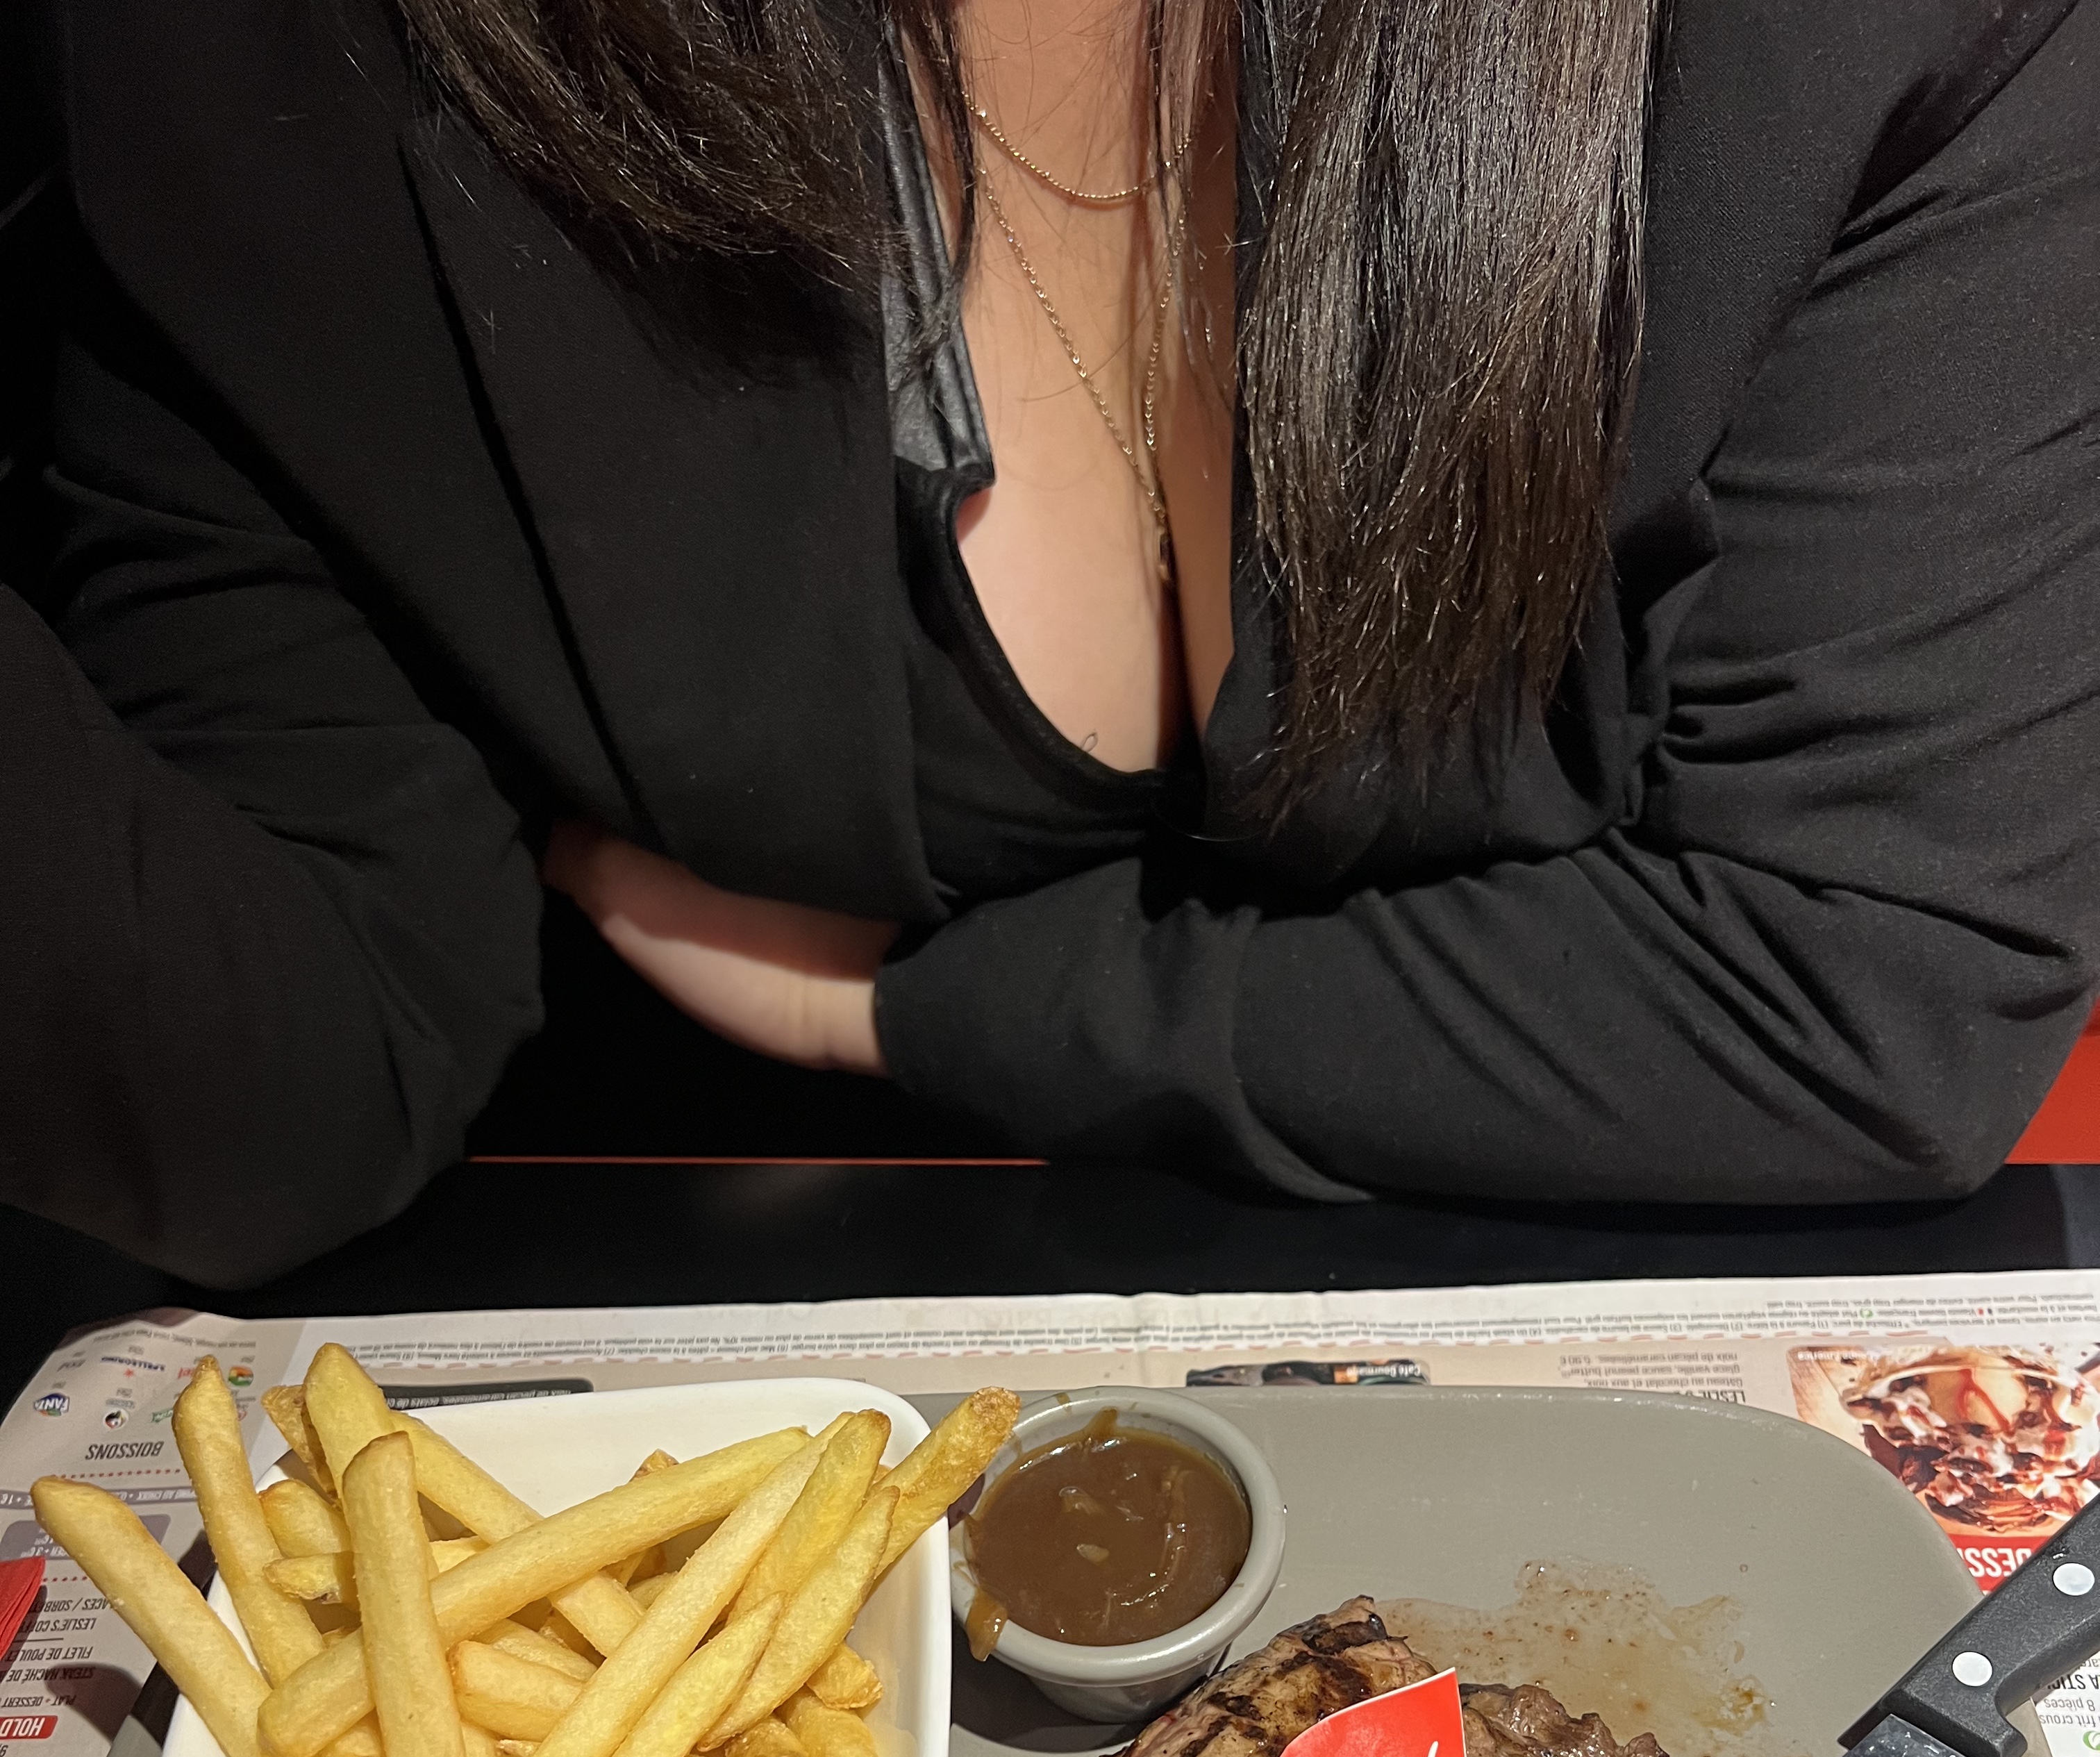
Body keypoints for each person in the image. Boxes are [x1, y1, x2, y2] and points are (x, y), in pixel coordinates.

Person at [15, 0, 2100, 1279]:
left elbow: (1868, 994)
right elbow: (290, 1094)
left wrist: (904, 1010)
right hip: (710, 1291)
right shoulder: (236, 75)